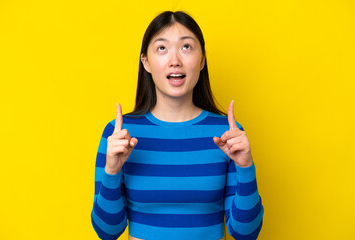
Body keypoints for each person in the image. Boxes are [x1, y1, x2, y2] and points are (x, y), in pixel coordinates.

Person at [91, 10, 264, 240]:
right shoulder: (119, 135)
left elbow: (246, 233)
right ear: (146, 62)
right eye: (162, 48)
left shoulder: (228, 136)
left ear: (202, 60)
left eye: (186, 47)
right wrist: (112, 171)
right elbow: (107, 231)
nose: (175, 61)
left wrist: (245, 166)